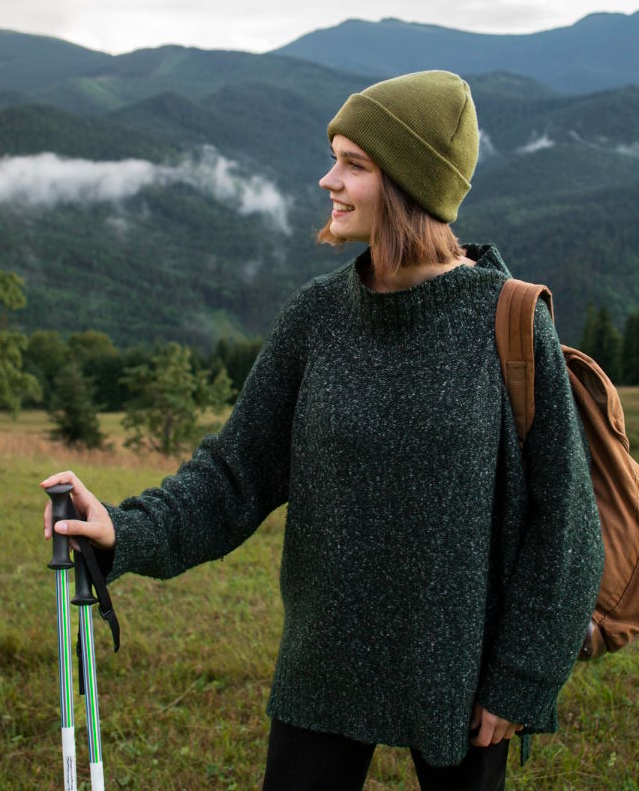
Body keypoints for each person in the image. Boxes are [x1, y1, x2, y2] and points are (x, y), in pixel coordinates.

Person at [41, 70, 603, 791]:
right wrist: (123, 529)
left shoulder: (511, 321)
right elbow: (234, 475)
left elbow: (566, 523)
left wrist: (519, 677)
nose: (327, 179)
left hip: (463, 671)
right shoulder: (317, 319)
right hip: (326, 660)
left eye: (355, 164)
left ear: (409, 183)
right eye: (335, 156)